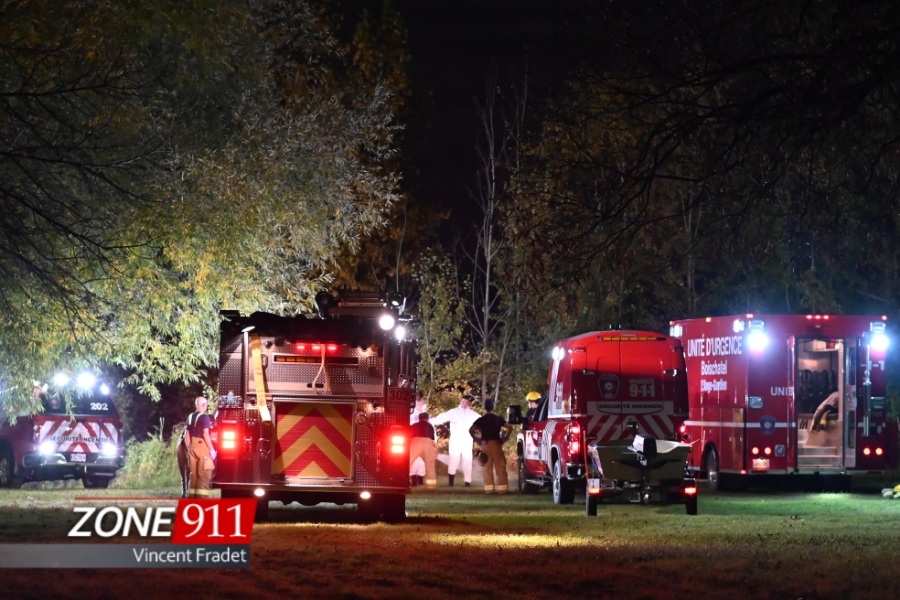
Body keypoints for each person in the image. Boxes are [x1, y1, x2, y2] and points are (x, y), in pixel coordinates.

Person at [430, 394, 480, 487]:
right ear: (461, 402)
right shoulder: (454, 412)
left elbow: (482, 422)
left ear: (469, 403)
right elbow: (441, 417)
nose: (464, 404)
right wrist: (430, 421)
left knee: (467, 461)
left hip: (467, 441)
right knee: (453, 460)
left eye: (466, 402)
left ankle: (467, 482)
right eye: (463, 402)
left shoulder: (473, 414)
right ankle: (451, 482)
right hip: (455, 440)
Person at [469, 400, 513, 494]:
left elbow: (471, 430)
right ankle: (503, 489)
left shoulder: (481, 420)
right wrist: (505, 438)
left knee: (487, 468)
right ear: (493, 407)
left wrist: (477, 440)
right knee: (500, 467)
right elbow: (510, 427)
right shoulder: (498, 418)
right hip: (497, 444)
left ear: (484, 408)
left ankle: (489, 490)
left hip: (485, 445)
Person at [184, 396, 216, 497]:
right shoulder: (205, 417)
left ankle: (192, 499)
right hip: (202, 446)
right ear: (203, 405)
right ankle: (202, 500)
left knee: (193, 475)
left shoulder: (190, 416)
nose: (206, 406)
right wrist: (212, 449)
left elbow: (186, 434)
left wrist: (189, 448)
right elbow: (205, 434)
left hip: (191, 447)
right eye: (206, 404)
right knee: (204, 474)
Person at [409, 412, 438, 490]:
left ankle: (404, 482)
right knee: (430, 465)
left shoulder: (414, 425)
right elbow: (432, 438)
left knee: (408, 463)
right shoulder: (430, 426)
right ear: (427, 418)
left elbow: (409, 435)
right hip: (428, 443)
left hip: (415, 442)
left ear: (419, 418)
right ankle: (431, 486)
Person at [409, 394, 428, 486]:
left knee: (422, 461)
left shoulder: (425, 415)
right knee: (415, 461)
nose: (424, 405)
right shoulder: (412, 415)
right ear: (418, 404)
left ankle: (420, 479)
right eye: (423, 403)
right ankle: (413, 479)